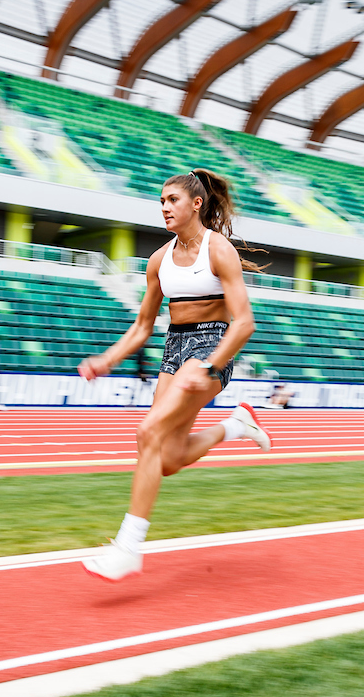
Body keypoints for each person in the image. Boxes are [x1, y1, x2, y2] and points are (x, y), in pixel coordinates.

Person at [78, 168, 272, 581]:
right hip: (174, 348)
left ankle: (128, 548)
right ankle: (235, 426)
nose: (164, 207)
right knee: (166, 458)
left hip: (210, 345)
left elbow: (244, 323)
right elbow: (143, 327)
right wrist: (107, 359)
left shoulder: (218, 250)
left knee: (147, 432)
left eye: (173, 200)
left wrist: (209, 365)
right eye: (162, 201)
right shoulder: (158, 260)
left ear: (196, 204)